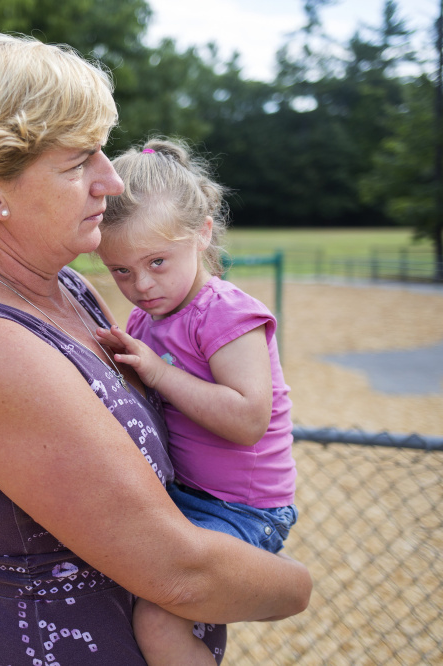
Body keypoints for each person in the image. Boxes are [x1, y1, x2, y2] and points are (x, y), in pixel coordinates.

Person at [0, 34, 311, 666]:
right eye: (78, 162)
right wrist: (297, 587)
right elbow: (182, 574)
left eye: (103, 154)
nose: (111, 182)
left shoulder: (66, 288)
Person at [94, 137, 299, 665]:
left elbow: (249, 419)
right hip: (184, 495)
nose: (141, 284)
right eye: (121, 270)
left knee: (159, 619)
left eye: (158, 261)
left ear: (202, 235)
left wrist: (159, 373)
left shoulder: (226, 314)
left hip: (243, 509)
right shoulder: (146, 319)